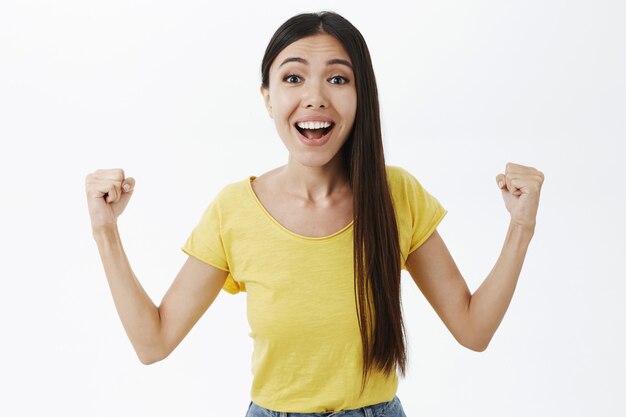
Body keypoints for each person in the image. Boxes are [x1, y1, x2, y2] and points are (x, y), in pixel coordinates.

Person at [84, 11, 544, 417]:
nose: (315, 97)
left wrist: (520, 227)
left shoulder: (396, 195)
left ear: (361, 96)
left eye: (338, 79)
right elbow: (154, 342)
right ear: (267, 97)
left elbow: (473, 329)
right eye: (293, 78)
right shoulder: (234, 210)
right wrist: (105, 230)